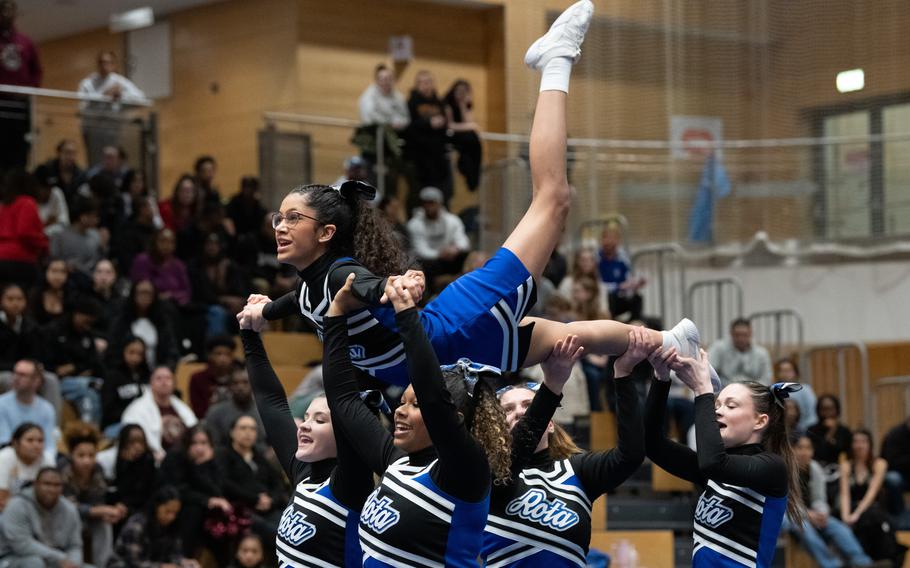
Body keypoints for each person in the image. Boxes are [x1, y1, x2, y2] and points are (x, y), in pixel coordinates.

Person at [242, 0, 717, 391]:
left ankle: (557, 59)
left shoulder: (343, 276)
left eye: (291, 218)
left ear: (325, 232)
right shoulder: (309, 286)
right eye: (276, 219)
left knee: (553, 197)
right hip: (453, 353)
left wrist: (389, 288)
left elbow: (364, 287)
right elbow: (294, 303)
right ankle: (669, 342)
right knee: (568, 338)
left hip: (457, 325)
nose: (279, 227)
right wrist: (265, 311)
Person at [323, 273, 512, 565]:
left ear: (454, 420)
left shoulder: (466, 471)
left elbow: (434, 398)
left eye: (414, 405)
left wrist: (406, 313)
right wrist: (336, 314)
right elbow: (343, 401)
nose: (399, 410)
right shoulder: (395, 464)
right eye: (402, 402)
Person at [483, 329, 644, 566]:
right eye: (508, 409)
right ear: (496, 428)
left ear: (549, 423)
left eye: (529, 404)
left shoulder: (577, 470)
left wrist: (623, 374)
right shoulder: (486, 473)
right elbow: (518, 449)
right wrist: (553, 383)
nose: (519, 411)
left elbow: (631, 455)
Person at [239, 304, 375, 566]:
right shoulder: (303, 474)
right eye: (307, 417)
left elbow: (341, 389)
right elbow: (271, 402)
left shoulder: (350, 485)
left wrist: (335, 318)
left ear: (347, 432)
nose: (304, 425)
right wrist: (249, 332)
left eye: (320, 420)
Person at [645, 344, 802, 567]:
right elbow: (652, 444)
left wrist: (702, 390)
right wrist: (661, 378)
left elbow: (713, 463)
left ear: (760, 421)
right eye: (716, 404)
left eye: (731, 405)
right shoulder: (715, 468)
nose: (717, 410)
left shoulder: (772, 468)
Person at [784, 434, 880, 568]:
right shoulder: (784, 469)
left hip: (812, 514)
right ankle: (832, 565)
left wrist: (822, 513)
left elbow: (820, 499)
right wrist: (807, 514)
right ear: (791, 449)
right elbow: (785, 504)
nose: (804, 452)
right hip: (788, 515)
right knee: (804, 527)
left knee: (838, 527)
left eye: (808, 448)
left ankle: (862, 562)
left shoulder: (815, 468)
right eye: (800, 448)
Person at [159, 425, 233, 562]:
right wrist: (207, 500)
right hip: (174, 504)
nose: (199, 448)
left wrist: (205, 465)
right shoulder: (176, 457)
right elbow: (178, 490)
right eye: (194, 443)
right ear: (187, 443)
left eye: (204, 443)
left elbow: (217, 490)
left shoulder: (210, 460)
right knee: (195, 510)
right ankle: (184, 558)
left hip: (198, 505)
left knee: (225, 515)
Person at [60, 422, 126, 567]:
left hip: (88, 517)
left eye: (91, 455)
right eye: (81, 455)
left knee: (104, 523)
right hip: (64, 518)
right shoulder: (63, 470)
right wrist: (99, 510)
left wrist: (111, 511)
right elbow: (67, 506)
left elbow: (99, 499)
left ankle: (103, 564)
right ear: (71, 454)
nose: (87, 461)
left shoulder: (98, 470)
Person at [216, 415, 287, 547]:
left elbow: (277, 482)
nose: (248, 433)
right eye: (243, 428)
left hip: (268, 508)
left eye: (252, 429)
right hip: (242, 510)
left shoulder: (258, 456)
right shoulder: (223, 454)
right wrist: (255, 499)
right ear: (232, 432)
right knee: (279, 535)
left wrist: (271, 499)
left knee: (291, 527)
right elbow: (224, 483)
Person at [839, 429, 904, 565]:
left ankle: (877, 560)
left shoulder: (880, 463)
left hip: (874, 508)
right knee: (843, 521)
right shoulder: (846, 466)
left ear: (870, 444)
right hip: (852, 507)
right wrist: (846, 517)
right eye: (856, 441)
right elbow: (844, 494)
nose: (859, 445)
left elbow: (871, 493)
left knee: (870, 518)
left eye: (863, 441)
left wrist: (856, 514)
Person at [0, 467, 83, 567]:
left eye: (57, 485)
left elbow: (75, 545)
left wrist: (73, 563)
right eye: (47, 484)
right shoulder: (17, 505)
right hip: (13, 558)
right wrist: (61, 558)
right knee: (35, 563)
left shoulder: (69, 509)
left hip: (54, 561)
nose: (51, 489)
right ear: (35, 484)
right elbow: (22, 545)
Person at [77, 51, 146, 166]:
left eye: (108, 63)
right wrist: (104, 96)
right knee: (95, 164)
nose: (105, 66)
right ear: (98, 65)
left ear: (114, 65)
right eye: (102, 62)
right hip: (93, 131)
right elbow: (82, 108)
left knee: (114, 163)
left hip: (114, 131)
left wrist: (122, 96)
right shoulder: (87, 83)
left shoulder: (120, 82)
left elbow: (141, 99)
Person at [107, 485, 201, 568]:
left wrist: (185, 562)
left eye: (175, 513)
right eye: (167, 511)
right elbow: (133, 562)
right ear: (156, 506)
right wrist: (162, 566)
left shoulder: (173, 525)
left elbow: (175, 554)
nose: (171, 517)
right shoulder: (137, 524)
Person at [121, 366, 198, 460]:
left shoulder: (182, 408)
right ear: (151, 383)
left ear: (174, 384)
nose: (164, 382)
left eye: (168, 378)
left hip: (184, 459)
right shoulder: (136, 410)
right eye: (159, 378)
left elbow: (194, 429)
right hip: (153, 460)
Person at [0, 0, 42, 173]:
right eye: (2, 10)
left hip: (20, 105)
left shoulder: (26, 42)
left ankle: (16, 191)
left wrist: (29, 90)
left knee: (19, 150)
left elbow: (37, 71)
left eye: (10, 10)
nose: (6, 14)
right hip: (1, 103)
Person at [406, 186, 471, 292]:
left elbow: (464, 242)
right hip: (428, 263)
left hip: (449, 259)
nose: (428, 206)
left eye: (432, 202)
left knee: (467, 257)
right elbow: (420, 250)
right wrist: (440, 254)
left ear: (439, 203)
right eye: (426, 203)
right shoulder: (414, 224)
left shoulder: (453, 220)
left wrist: (455, 249)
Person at [108, 279, 180, 369]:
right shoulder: (121, 322)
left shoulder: (162, 323)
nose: (145, 296)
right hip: (126, 374)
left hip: (156, 374)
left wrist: (164, 370)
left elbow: (172, 352)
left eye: (148, 293)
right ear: (134, 295)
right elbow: (112, 351)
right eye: (141, 292)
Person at [406, 70, 451, 205]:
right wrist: (429, 123)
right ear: (417, 85)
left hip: (438, 155)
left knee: (441, 191)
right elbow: (409, 125)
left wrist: (441, 123)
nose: (426, 85)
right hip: (420, 156)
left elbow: (447, 123)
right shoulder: (412, 102)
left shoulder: (440, 102)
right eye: (423, 82)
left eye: (429, 82)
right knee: (419, 192)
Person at [0, 170, 49, 290]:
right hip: (21, 260)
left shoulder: (4, 205)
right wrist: (44, 244)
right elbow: (25, 232)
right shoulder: (27, 202)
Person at [0, 360, 57, 461]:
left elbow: (49, 446)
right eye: (15, 373)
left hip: (38, 457)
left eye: (22, 375)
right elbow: (4, 441)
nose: (16, 378)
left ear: (36, 381)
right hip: (10, 456)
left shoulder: (47, 409)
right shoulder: (1, 404)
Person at [204, 367, 266, 450]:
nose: (240, 387)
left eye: (245, 383)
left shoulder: (266, 413)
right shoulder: (215, 413)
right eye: (235, 383)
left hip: (261, 459)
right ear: (229, 386)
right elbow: (213, 445)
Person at [130, 228, 192, 307]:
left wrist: (171, 296)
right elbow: (139, 288)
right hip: (147, 306)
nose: (167, 245)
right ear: (155, 242)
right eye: (163, 241)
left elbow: (187, 292)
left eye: (171, 242)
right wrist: (156, 297)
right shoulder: (142, 260)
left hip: (174, 307)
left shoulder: (178, 265)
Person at [104, 424, 157, 516]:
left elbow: (143, 492)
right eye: (132, 442)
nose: (137, 446)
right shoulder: (115, 459)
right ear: (124, 443)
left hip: (141, 507)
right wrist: (127, 463)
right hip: (119, 505)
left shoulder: (148, 460)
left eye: (141, 442)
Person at [100, 336, 150, 434]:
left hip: (144, 423)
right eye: (131, 352)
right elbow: (108, 410)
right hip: (116, 424)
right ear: (123, 351)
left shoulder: (147, 377)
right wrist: (133, 414)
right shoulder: (112, 377)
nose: (135, 358)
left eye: (139, 354)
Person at [0, 423, 53, 513]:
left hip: (39, 512)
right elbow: (1, 500)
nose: (36, 445)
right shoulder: (4, 457)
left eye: (40, 441)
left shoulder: (47, 459)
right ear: (15, 443)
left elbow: (52, 494)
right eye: (30, 440)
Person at [597, 222, 645, 322]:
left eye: (613, 238)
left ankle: (635, 323)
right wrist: (618, 286)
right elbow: (597, 284)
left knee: (637, 298)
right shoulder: (597, 258)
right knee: (610, 297)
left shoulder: (622, 257)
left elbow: (627, 278)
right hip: (604, 298)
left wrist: (634, 284)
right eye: (607, 238)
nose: (610, 241)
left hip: (620, 296)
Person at [50, 196, 107, 278]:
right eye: (94, 216)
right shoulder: (59, 236)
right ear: (83, 217)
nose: (97, 220)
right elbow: (53, 261)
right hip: (64, 279)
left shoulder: (96, 236)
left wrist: (103, 247)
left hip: (89, 282)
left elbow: (99, 264)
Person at [443, 79, 482, 192]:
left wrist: (463, 105)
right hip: (450, 135)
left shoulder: (465, 104)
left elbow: (467, 122)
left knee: (474, 141)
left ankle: (473, 175)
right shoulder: (447, 104)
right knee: (471, 137)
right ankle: (466, 169)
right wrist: (472, 126)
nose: (461, 93)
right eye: (459, 91)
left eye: (464, 91)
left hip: (464, 137)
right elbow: (450, 125)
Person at [708, 318, 773, 386]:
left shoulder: (762, 353)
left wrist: (753, 389)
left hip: (753, 392)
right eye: (737, 335)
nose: (741, 339)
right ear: (731, 333)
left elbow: (767, 379)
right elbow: (709, 371)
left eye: (745, 335)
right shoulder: (718, 348)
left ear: (750, 333)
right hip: (725, 390)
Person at [189, 335, 236, 417]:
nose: (223, 359)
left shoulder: (240, 378)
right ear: (210, 356)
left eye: (227, 354)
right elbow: (198, 412)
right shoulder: (198, 379)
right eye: (218, 354)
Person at [0, 284, 42, 371]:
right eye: (10, 299)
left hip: (26, 371)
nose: (15, 303)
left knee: (50, 378)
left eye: (20, 299)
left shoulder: (31, 326)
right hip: (4, 372)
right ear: (1, 301)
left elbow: (35, 356)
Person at [558, 247, 609, 315]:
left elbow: (605, 312)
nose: (587, 263)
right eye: (583, 260)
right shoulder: (567, 283)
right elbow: (560, 308)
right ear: (577, 262)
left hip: (594, 322)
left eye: (591, 260)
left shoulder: (600, 286)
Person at [359, 64, 410, 130]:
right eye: (383, 79)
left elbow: (406, 118)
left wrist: (399, 123)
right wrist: (390, 123)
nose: (386, 82)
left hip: (396, 132)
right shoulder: (368, 96)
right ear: (377, 80)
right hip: (372, 131)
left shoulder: (399, 97)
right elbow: (370, 117)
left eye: (389, 79)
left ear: (393, 80)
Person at [807, 394, 853, 467]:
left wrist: (834, 430)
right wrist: (830, 433)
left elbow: (846, 453)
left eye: (831, 409)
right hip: (817, 469)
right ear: (818, 411)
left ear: (837, 410)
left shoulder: (844, 431)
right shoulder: (812, 430)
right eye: (824, 409)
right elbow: (818, 453)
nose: (827, 413)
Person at [41, 139, 86, 207]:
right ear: (59, 153)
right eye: (67, 152)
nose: (70, 157)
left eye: (73, 153)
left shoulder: (81, 174)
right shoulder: (47, 170)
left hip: (73, 213)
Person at [881, 416, 910, 517]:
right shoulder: (895, 434)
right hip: (898, 473)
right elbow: (891, 462)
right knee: (893, 478)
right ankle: (900, 514)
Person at [33, 163, 71, 237]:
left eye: (50, 187)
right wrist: (50, 223)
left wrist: (45, 227)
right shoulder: (29, 200)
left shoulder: (56, 193)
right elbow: (32, 232)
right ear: (36, 187)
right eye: (45, 188)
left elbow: (65, 224)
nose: (49, 191)